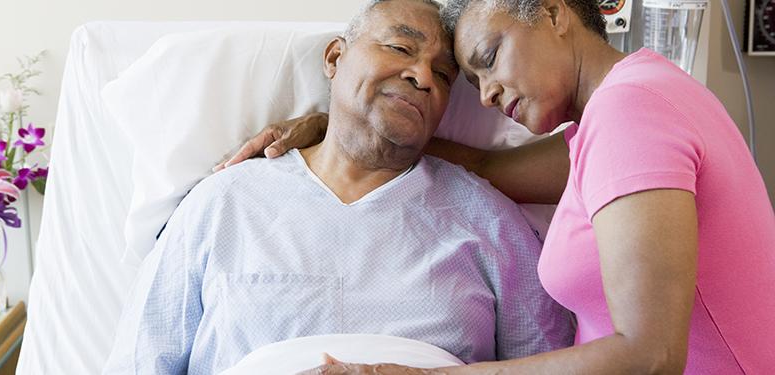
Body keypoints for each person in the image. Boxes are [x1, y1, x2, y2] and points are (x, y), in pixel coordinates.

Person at [218, 0, 775, 374]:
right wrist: (340, 125)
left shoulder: (633, 112)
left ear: (554, 13)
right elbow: (482, 166)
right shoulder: (614, 119)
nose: (484, 95)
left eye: (488, 60)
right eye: (473, 80)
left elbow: (651, 355)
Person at [103, 1, 575, 374]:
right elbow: (140, 362)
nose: (423, 76)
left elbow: (551, 362)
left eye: (445, 74)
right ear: (334, 57)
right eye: (400, 48)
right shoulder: (223, 203)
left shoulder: (489, 219)